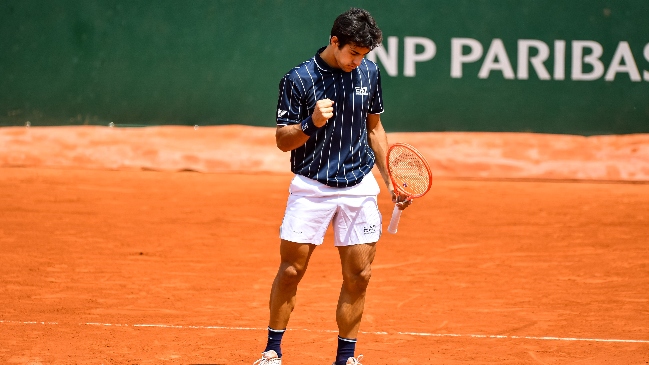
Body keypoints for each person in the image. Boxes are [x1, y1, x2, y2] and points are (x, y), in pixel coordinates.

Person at [253, 8, 411, 365]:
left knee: (360, 275)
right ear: (334, 41)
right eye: (353, 53)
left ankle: (345, 358)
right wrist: (311, 123)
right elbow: (282, 141)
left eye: (364, 55)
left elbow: (374, 129)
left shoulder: (369, 73)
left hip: (358, 186)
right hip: (311, 187)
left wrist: (391, 180)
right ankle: (272, 351)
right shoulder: (298, 79)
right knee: (291, 270)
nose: (358, 61)